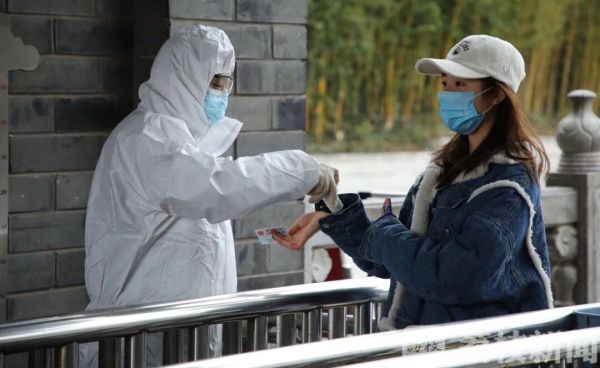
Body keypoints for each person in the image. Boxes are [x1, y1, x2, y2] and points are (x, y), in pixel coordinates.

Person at [81, 24, 339, 366]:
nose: (221, 93)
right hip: (139, 341)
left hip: (182, 335)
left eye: (225, 83)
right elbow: (218, 187)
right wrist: (303, 170)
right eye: (214, 82)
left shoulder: (184, 144)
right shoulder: (146, 138)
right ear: (182, 77)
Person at [275, 34, 553, 331]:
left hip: (476, 346)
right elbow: (391, 260)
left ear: (496, 95)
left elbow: (453, 276)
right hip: (421, 341)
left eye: (461, 84)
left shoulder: (508, 186)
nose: (448, 94)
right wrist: (332, 215)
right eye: (445, 84)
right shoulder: (441, 173)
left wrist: (385, 233)